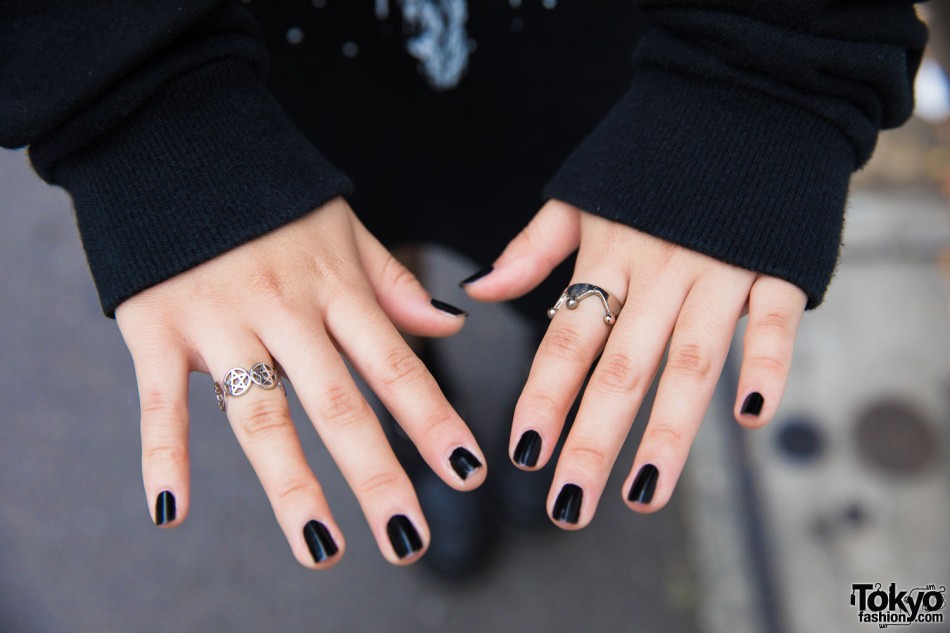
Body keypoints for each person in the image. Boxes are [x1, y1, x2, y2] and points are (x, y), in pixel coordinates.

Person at [0, 0, 928, 571]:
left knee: (563, 252)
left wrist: (770, 55)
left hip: (575, 42)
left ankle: (543, 404)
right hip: (273, 49)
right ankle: (423, 424)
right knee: (349, 276)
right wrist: (142, 101)